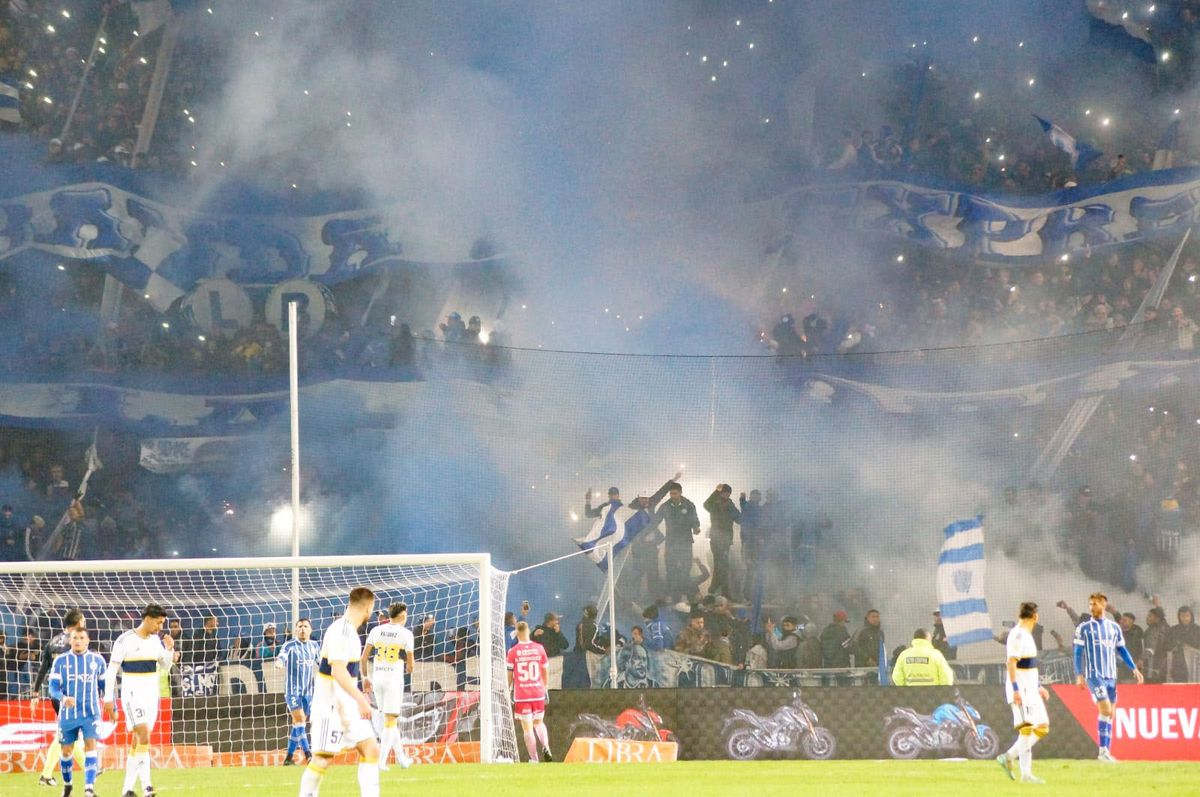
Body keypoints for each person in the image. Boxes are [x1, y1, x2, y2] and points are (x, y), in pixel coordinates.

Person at [299, 587, 380, 797]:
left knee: (370, 749)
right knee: (323, 758)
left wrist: (362, 683)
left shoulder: (349, 631)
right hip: (330, 705)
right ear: (369, 607)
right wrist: (361, 698)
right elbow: (337, 670)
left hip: (347, 705)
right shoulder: (342, 631)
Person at [104, 603, 175, 797]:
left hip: (151, 695)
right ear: (148, 619)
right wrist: (108, 699)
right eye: (159, 623)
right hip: (132, 695)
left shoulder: (155, 641)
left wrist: (169, 649)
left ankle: (127, 789)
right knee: (143, 733)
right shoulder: (124, 640)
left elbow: (165, 666)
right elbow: (111, 671)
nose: (160, 627)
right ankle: (147, 787)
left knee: (139, 740)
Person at [1073, 592, 1143, 762]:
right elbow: (1077, 653)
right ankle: (1103, 752)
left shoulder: (1114, 628)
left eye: (1096, 604)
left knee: (1110, 714)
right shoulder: (1084, 628)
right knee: (1105, 710)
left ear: (1104, 605)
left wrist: (1134, 668)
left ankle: (1105, 752)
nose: (1092, 607)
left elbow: (1122, 650)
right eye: (1090, 604)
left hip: (1111, 676)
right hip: (1094, 676)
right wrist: (1079, 674)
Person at [48, 627, 108, 797]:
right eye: (75, 637)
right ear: (70, 640)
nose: (78, 641)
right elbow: (53, 688)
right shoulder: (60, 661)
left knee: (91, 746)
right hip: (68, 713)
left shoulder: (98, 660)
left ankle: (89, 788)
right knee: (66, 751)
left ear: (87, 640)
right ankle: (68, 786)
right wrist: (63, 697)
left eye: (82, 637)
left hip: (91, 712)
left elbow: (105, 686)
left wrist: (113, 706)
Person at [31, 608, 87, 787]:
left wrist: (35, 692)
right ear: (78, 623)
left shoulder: (53, 641)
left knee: (68, 733)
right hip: (68, 695)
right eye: (83, 621)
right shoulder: (74, 642)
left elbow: (43, 667)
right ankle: (48, 775)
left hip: (54, 693)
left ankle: (88, 767)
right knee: (66, 733)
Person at [997, 601, 1051, 784]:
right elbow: (1011, 663)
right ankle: (1026, 775)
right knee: (1027, 729)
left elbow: (1028, 666)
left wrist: (1038, 686)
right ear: (1035, 616)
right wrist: (1015, 690)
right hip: (1021, 690)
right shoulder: (1018, 634)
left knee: (1042, 726)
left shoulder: (1027, 635)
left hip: (1031, 689)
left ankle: (1008, 756)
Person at [360, 602, 415, 771]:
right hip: (393, 680)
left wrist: (365, 678)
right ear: (403, 615)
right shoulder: (406, 634)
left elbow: (363, 658)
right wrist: (409, 666)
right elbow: (411, 665)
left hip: (377, 679)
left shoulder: (376, 631)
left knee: (390, 720)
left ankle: (402, 760)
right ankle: (381, 762)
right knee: (390, 722)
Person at [649, 482, 701, 610]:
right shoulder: (665, 506)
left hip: (685, 542)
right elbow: (656, 520)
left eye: (675, 493)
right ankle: (675, 598)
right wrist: (650, 531)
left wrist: (696, 527)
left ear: (680, 493)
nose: (673, 495)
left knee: (685, 569)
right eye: (671, 493)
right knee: (671, 570)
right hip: (671, 543)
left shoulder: (689, 505)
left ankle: (691, 597)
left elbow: (694, 518)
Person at [275, 618, 320, 766]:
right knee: (300, 719)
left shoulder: (314, 646)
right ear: (296, 630)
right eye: (300, 626)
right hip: (292, 691)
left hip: (308, 691)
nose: (302, 629)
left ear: (310, 629)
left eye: (305, 626)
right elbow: (281, 656)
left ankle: (288, 758)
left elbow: (322, 663)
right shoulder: (289, 646)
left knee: (298, 724)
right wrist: (279, 663)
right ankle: (309, 755)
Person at [506, 621, 552, 763]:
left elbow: (510, 675)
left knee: (527, 729)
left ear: (517, 633)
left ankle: (534, 759)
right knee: (539, 722)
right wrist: (545, 687)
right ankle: (546, 746)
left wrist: (508, 691)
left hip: (522, 695)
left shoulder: (512, 652)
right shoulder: (539, 648)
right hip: (538, 692)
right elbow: (545, 670)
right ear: (529, 631)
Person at [702, 484, 741, 600]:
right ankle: (724, 592)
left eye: (728, 493)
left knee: (721, 565)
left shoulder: (730, 504)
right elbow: (705, 505)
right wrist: (715, 492)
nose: (726, 494)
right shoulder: (714, 503)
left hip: (726, 539)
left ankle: (714, 588)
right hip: (715, 538)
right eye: (724, 492)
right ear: (721, 493)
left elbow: (738, 518)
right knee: (722, 565)